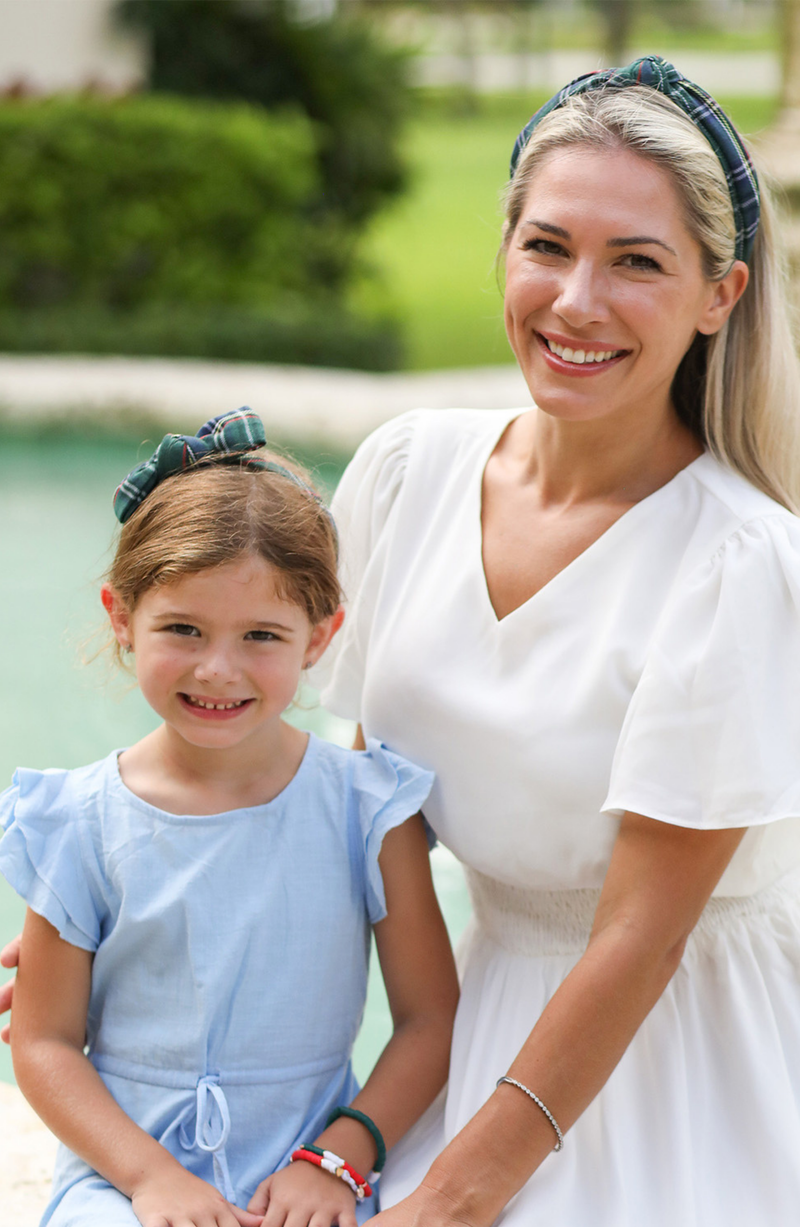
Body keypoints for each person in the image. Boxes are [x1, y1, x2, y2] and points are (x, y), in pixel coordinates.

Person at [309, 57, 800, 1225]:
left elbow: (638, 938)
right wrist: (131, 931)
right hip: (471, 1024)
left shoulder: (740, 562)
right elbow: (357, 811)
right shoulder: (404, 471)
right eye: (546, 246)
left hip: (682, 1056)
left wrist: (453, 1196)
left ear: (717, 295)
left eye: (635, 262)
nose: (574, 301)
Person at [0, 409, 459, 1227]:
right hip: (125, 1174)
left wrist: (337, 1160)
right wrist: (151, 1179)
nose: (219, 668)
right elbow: (41, 1043)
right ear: (119, 617)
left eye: (261, 635)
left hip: (310, 1160)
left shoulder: (366, 809)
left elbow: (429, 1018)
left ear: (321, 638)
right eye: (182, 628)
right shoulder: (74, 819)